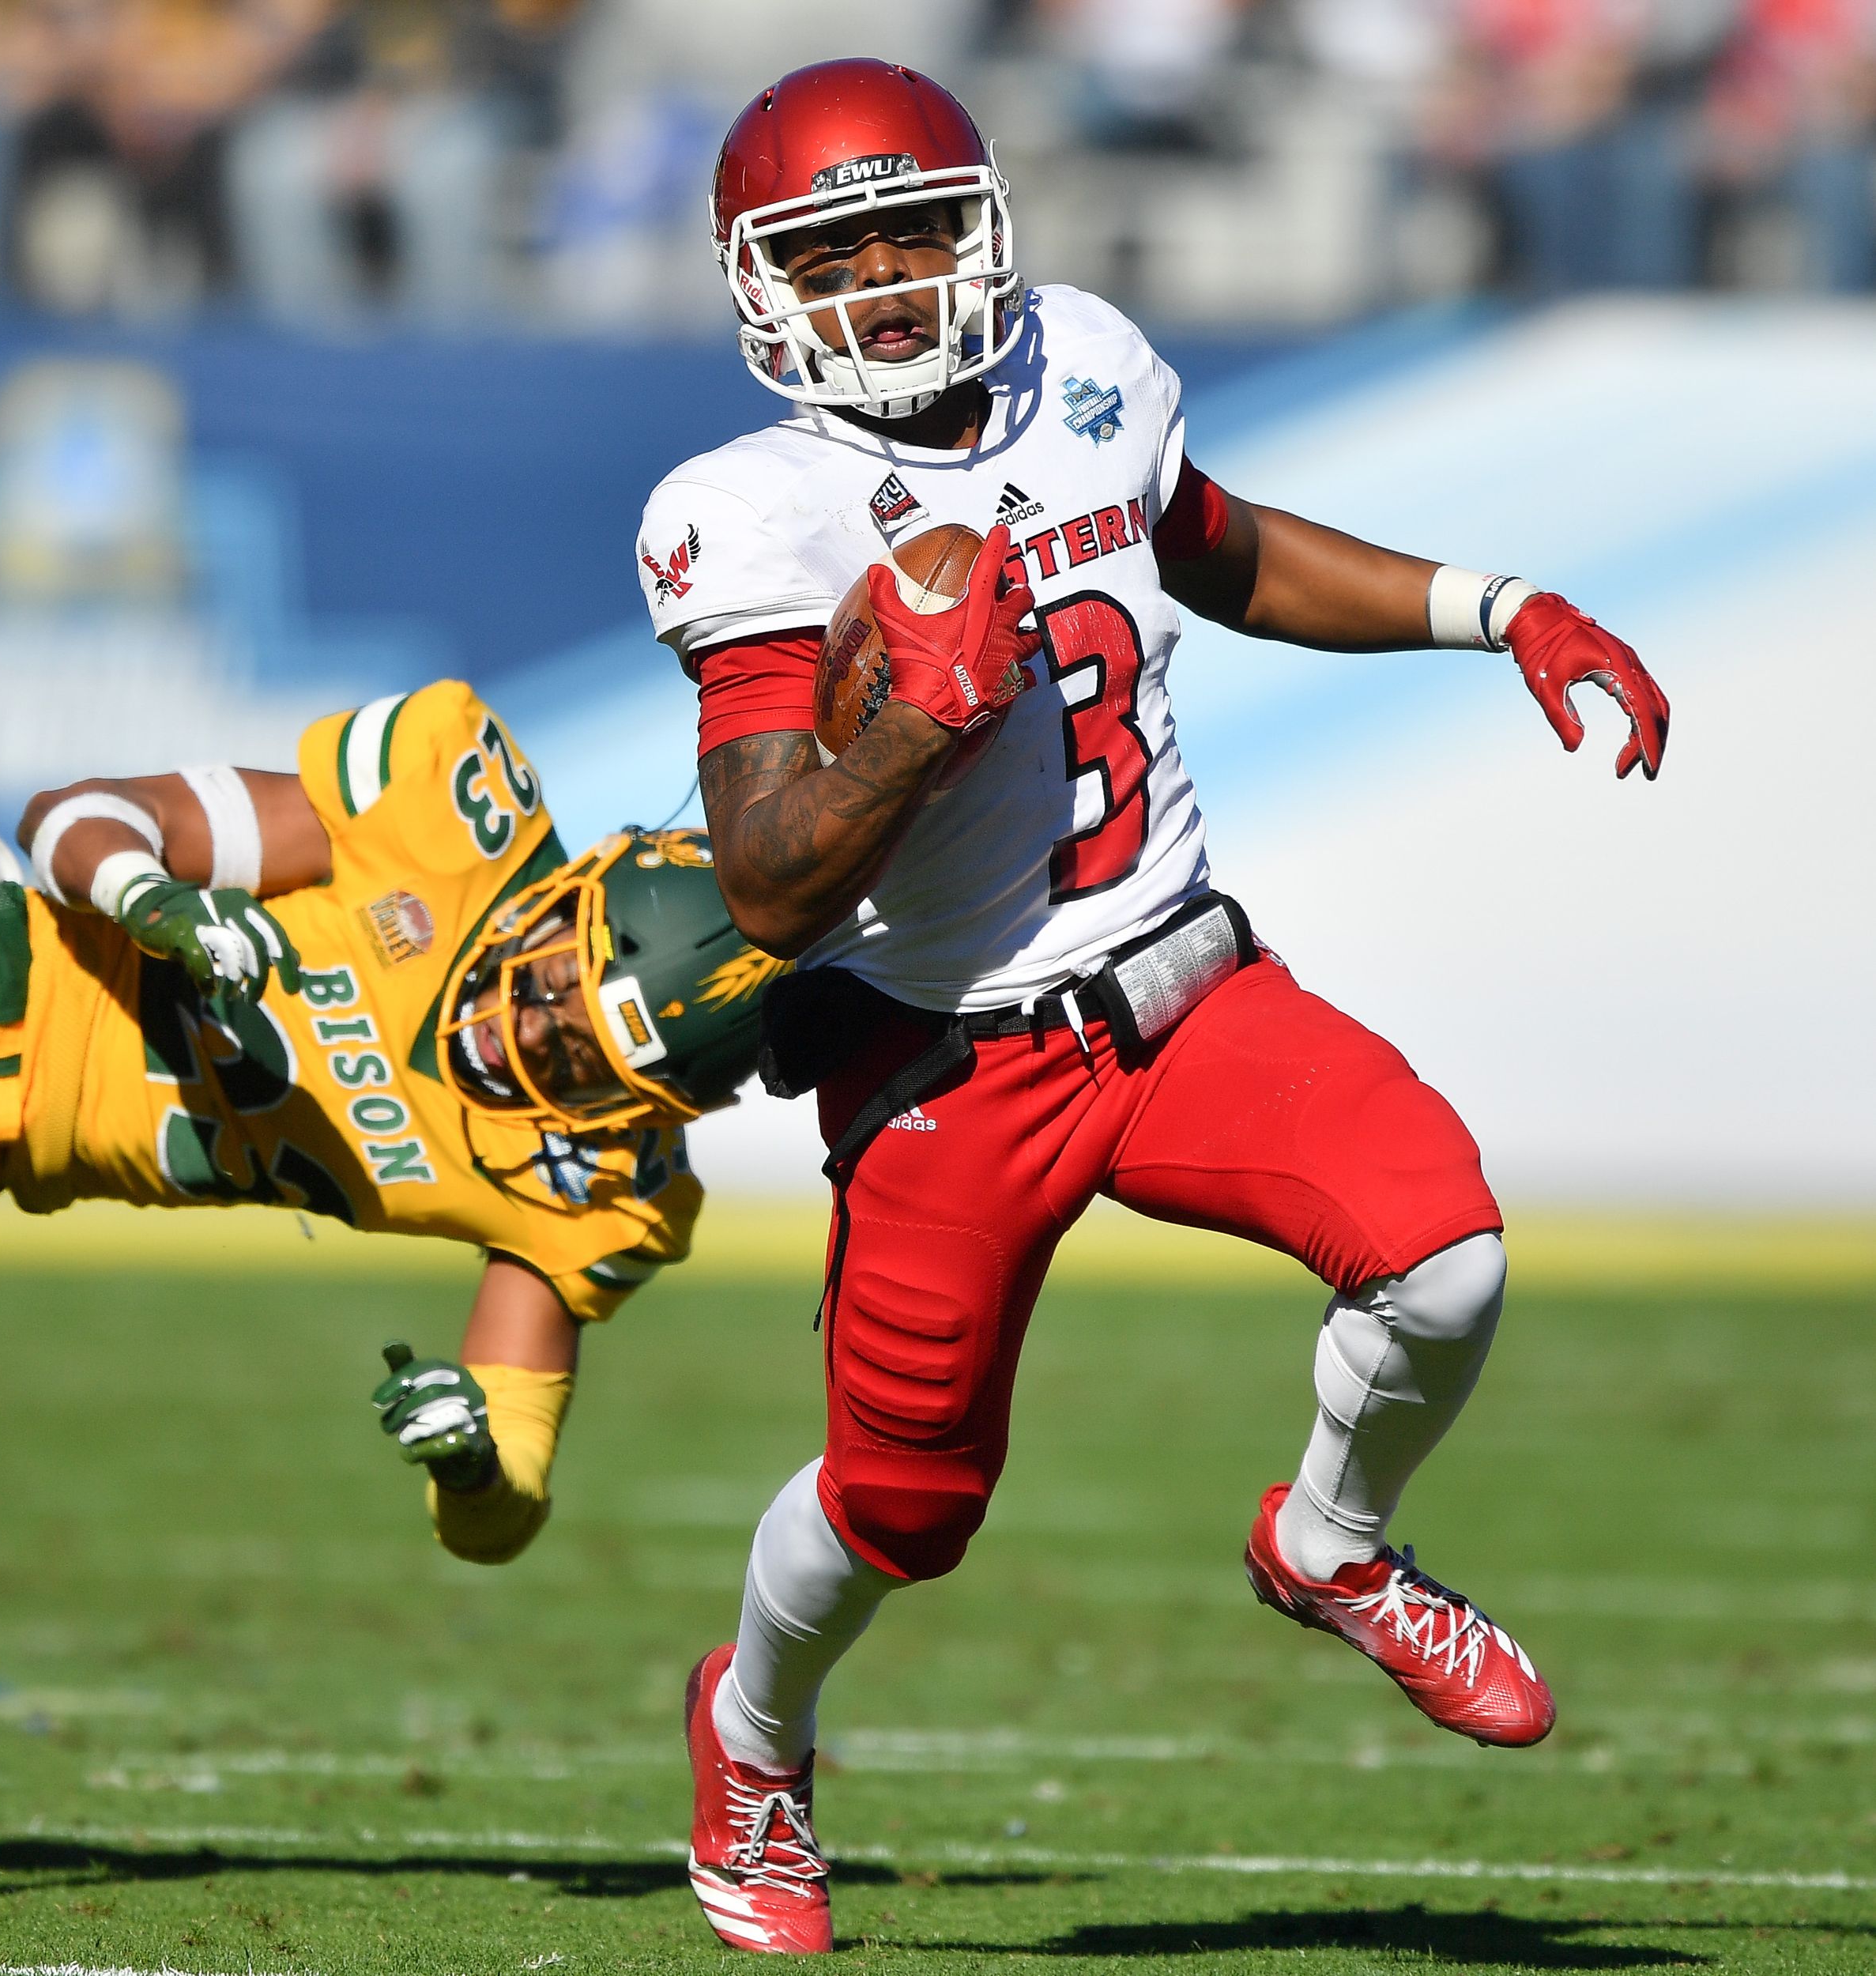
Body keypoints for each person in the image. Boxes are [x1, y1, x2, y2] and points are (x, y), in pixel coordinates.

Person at [634, 59, 1671, 1955]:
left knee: (1442, 1255)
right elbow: (775, 877)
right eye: (832, 246)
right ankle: (754, 1728)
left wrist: (1496, 602)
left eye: (918, 228)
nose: (883, 278)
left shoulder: (1084, 362)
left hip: (1183, 984)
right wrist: (910, 732)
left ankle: (1332, 1544)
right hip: (951, 1048)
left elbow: (1225, 551)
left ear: (987, 227)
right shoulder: (754, 511)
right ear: (759, 284)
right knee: (903, 1506)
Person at [0, 680, 779, 1564]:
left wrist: (472, 1464)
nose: (525, 1030)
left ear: (644, 1104)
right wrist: (153, 899)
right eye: (552, 980)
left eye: (579, 1062)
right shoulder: (445, 818)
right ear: (568, 896)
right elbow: (72, 813)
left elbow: (497, 1516)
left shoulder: (604, 1189)